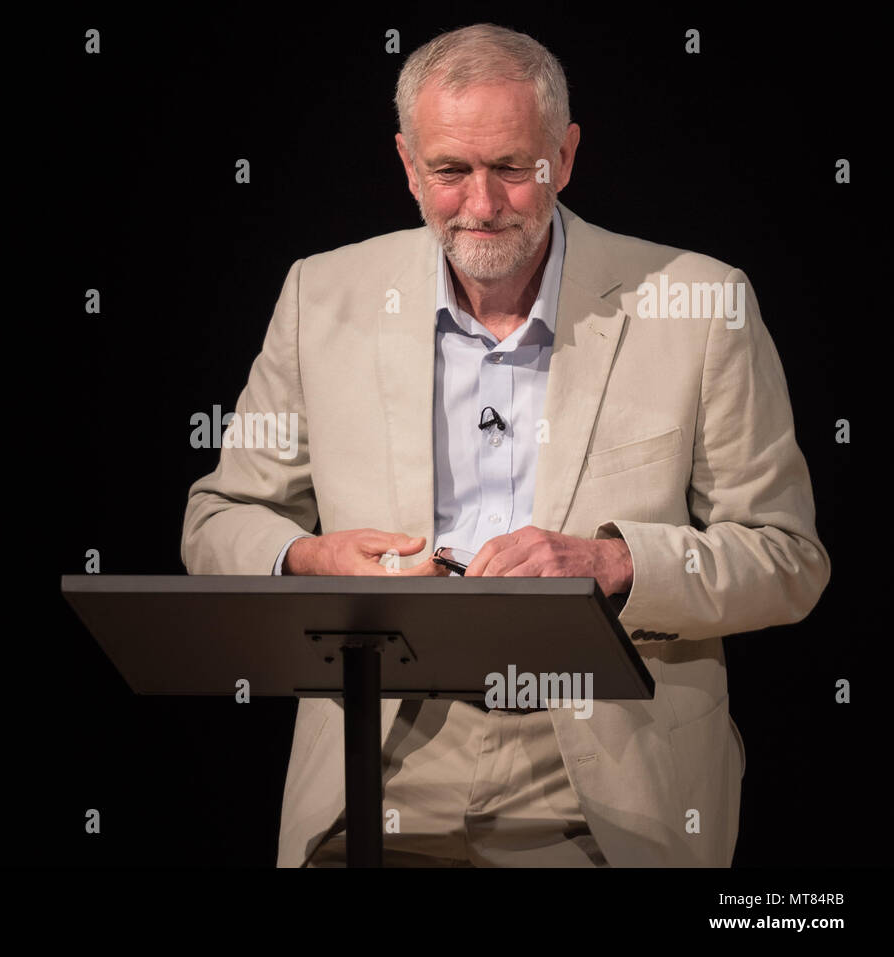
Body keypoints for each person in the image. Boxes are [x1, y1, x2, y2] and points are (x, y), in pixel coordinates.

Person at [180, 22, 829, 867]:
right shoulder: (322, 295)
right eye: (450, 170)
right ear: (409, 165)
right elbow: (217, 519)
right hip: (378, 764)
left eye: (513, 168)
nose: (482, 205)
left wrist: (615, 565)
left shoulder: (701, 304)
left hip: (602, 777)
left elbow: (787, 557)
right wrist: (308, 560)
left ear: (565, 153)